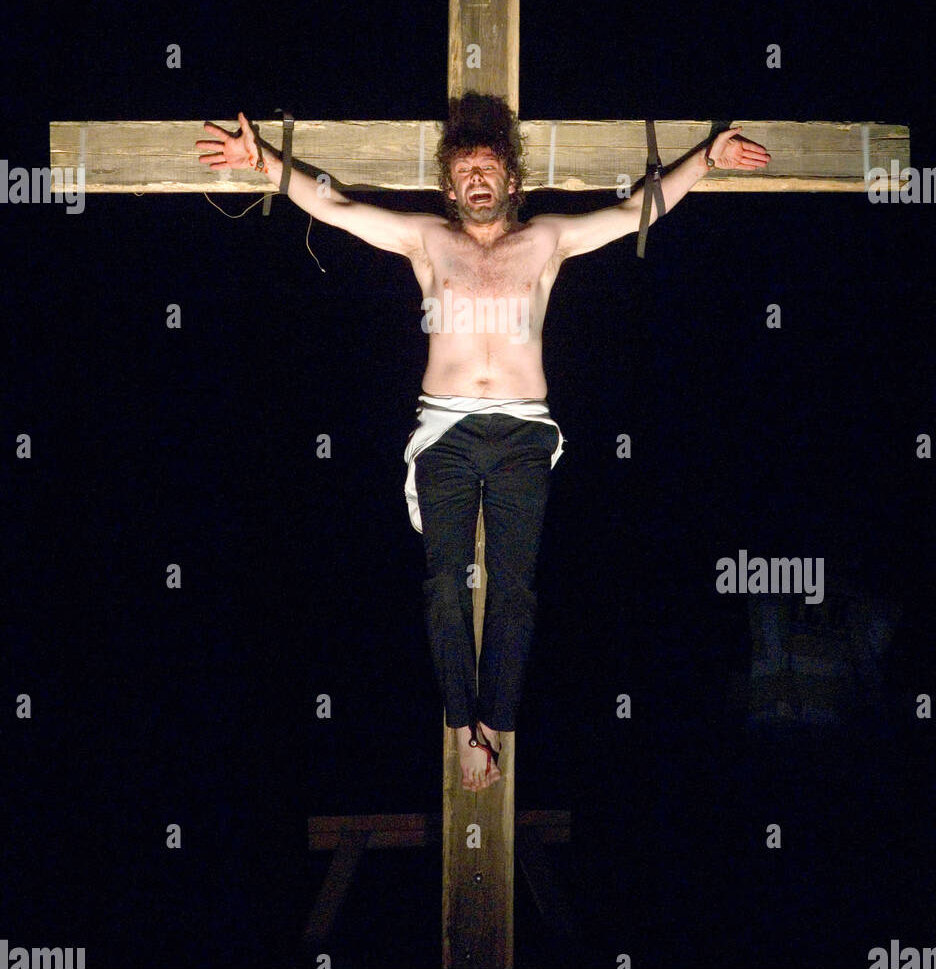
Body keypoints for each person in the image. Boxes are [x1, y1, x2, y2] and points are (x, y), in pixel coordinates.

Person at [196, 94, 769, 789]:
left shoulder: (546, 240)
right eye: (464, 171)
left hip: (524, 432)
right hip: (445, 431)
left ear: (511, 183)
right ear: (449, 187)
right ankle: (459, 720)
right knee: (442, 584)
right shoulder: (426, 241)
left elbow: (634, 213)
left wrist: (704, 160)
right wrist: (264, 164)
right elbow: (337, 207)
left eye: (487, 169)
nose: (476, 180)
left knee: (515, 588)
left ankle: (494, 722)